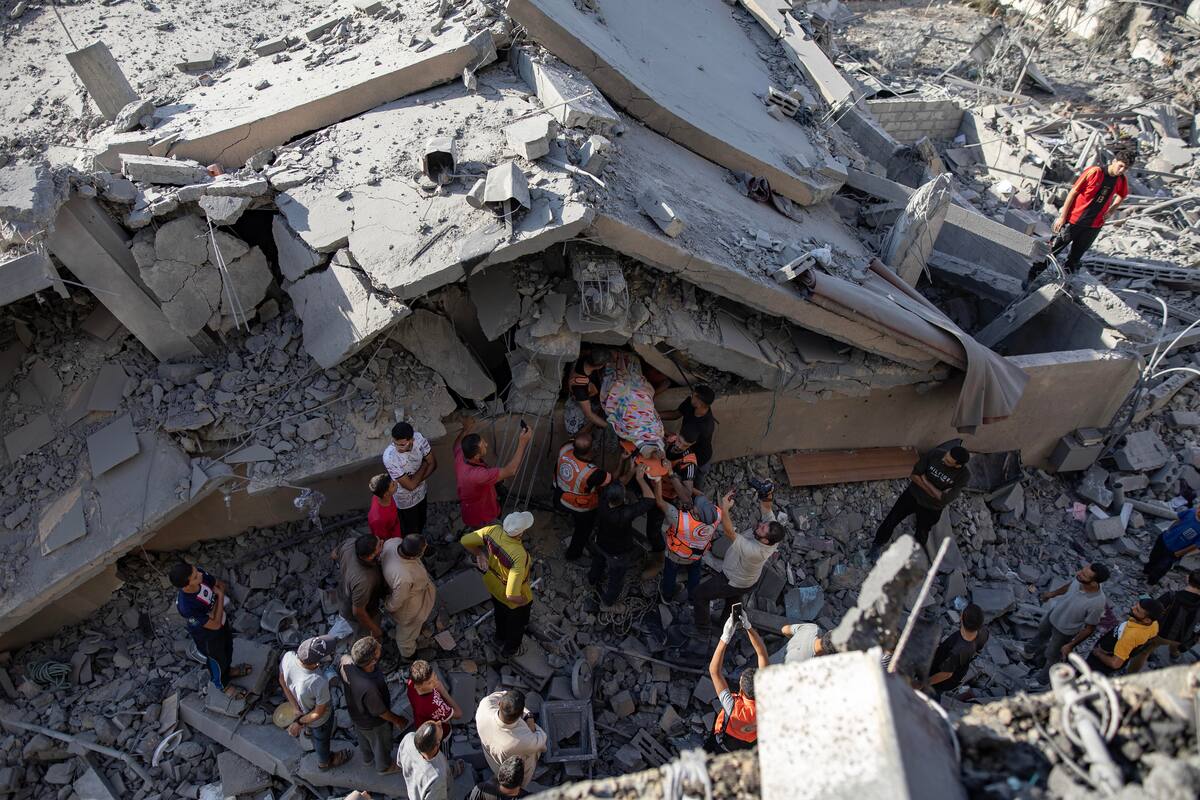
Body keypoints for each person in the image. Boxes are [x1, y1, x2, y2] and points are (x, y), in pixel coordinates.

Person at [694, 488, 786, 637]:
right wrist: (767, 492)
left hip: (732, 580)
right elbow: (767, 508)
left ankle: (702, 630)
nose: (760, 525)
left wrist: (724, 507)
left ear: (765, 541)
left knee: (700, 595)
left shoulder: (756, 551)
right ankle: (726, 627)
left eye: (762, 529)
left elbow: (729, 532)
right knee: (732, 602)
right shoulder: (772, 532)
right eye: (763, 525)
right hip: (749, 581)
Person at [869, 442, 970, 560]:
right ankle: (877, 545)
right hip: (913, 495)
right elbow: (914, 476)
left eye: (948, 462)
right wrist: (936, 491)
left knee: (921, 534)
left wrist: (926, 481)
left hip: (932, 508)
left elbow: (943, 499)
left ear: (957, 466)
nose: (944, 460)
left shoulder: (963, 475)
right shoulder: (935, 455)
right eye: (946, 456)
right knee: (891, 520)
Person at [169, 562, 251, 698]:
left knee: (228, 648)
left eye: (196, 572)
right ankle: (222, 685)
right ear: (186, 585)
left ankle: (229, 670)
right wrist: (220, 596)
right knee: (217, 660)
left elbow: (218, 584)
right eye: (195, 576)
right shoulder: (186, 606)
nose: (200, 574)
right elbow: (214, 625)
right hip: (208, 637)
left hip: (220, 621)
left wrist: (218, 599)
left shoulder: (200, 575)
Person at [460, 512, 535, 658]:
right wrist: (523, 601)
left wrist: (479, 554)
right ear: (520, 533)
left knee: (500, 612)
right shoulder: (519, 556)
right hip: (513, 595)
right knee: (516, 624)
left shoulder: (492, 530)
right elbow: (511, 595)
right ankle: (511, 650)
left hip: (493, 583)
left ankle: (499, 637)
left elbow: (465, 541)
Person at [1050, 144, 1134, 272]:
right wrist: (1062, 217)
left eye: (1126, 168)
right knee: (1052, 251)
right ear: (1114, 161)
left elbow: (1122, 195)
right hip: (1074, 221)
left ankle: (1061, 285)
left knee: (1074, 259)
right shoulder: (1095, 172)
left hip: (1094, 226)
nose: (1122, 170)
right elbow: (1073, 193)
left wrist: (1111, 210)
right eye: (1121, 166)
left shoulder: (1121, 180)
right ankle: (1031, 277)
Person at [1024, 563, 1110, 681]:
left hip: (1065, 631)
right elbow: (1069, 586)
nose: (1078, 574)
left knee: (1052, 656)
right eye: (1082, 570)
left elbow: (1090, 628)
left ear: (1094, 582)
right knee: (1041, 633)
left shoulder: (1097, 603)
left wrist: (1070, 645)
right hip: (1054, 615)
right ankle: (1028, 652)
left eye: (1084, 575)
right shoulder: (1080, 580)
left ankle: (1041, 681)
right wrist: (1051, 594)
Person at [338, 637, 409, 775]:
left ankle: (367, 759)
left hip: (357, 716)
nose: (380, 645)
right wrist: (397, 720)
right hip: (374, 723)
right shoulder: (368, 687)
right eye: (378, 649)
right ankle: (384, 767)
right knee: (380, 744)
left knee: (364, 739)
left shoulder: (345, 662)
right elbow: (381, 712)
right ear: (373, 661)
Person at [280, 636, 350, 770]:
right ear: (316, 662)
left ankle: (308, 732)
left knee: (310, 728)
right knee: (321, 740)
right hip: (320, 720)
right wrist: (299, 722)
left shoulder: (288, 657)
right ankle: (325, 762)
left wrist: (296, 708)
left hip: (301, 708)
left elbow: (282, 681)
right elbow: (318, 713)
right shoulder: (317, 682)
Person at [589, 465, 655, 606]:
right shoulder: (625, 514)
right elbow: (650, 500)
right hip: (618, 553)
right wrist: (640, 479)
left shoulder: (603, 501)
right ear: (623, 498)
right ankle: (608, 601)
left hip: (600, 543)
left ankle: (592, 580)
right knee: (616, 579)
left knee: (598, 562)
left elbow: (617, 484)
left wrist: (630, 469)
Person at [454, 416, 534, 530]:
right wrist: (523, 442)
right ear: (476, 456)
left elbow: (456, 444)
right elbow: (511, 470)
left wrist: (466, 428)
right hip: (483, 516)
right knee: (491, 538)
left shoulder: (460, 455)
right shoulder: (478, 475)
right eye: (483, 446)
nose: (486, 444)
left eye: (483, 441)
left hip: (470, 509)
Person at [706, 612, 769, 753]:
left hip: (724, 743)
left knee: (712, 749)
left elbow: (714, 671)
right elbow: (762, 653)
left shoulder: (732, 706)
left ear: (741, 685)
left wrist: (725, 637)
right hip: (749, 742)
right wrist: (749, 627)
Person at [654, 483, 723, 603]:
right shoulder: (716, 516)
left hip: (677, 555)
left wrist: (658, 481)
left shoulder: (680, 520)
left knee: (670, 574)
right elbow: (702, 496)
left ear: (696, 512)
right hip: (697, 554)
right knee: (694, 573)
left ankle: (667, 597)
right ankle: (693, 598)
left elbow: (660, 501)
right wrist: (680, 484)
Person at [554, 431, 613, 561]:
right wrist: (624, 462)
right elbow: (613, 480)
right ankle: (573, 555)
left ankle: (570, 520)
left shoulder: (565, 448)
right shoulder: (592, 472)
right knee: (583, 531)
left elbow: (576, 438)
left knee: (575, 516)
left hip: (559, 495)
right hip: (580, 507)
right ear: (591, 450)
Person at [1128, 570, 1200, 673]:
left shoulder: (1171, 596)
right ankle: (1174, 656)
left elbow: (1153, 612)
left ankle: (1130, 673)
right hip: (1184, 637)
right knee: (1176, 646)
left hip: (1161, 635)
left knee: (1144, 653)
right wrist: (1196, 637)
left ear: (1188, 579)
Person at [475, 689, 546, 788]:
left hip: (493, 760)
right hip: (515, 774)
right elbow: (541, 738)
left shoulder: (485, 705)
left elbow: (503, 694)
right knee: (534, 753)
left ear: (499, 703)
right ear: (521, 715)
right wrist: (529, 717)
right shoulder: (522, 740)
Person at [381, 534, 436, 658]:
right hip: (409, 604)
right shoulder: (404, 577)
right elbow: (398, 599)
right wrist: (389, 607)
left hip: (410, 590)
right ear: (415, 556)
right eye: (423, 549)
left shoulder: (393, 542)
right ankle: (408, 654)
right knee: (407, 631)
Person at [383, 422, 437, 536]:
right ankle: (411, 552)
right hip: (405, 501)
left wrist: (415, 480)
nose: (398, 448)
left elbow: (433, 464)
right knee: (410, 530)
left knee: (421, 521)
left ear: (411, 440)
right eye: (395, 443)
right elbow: (410, 486)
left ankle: (420, 546)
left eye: (402, 445)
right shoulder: (390, 457)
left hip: (422, 492)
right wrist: (424, 464)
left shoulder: (419, 439)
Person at [1086, 598, 1162, 676]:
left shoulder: (1130, 636)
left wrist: (1098, 654)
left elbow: (1115, 663)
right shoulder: (1154, 624)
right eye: (1136, 605)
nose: (1132, 608)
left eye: (1137, 610)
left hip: (1100, 663)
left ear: (1147, 620)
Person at [927, 604, 988, 697]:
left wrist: (923, 683)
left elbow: (946, 674)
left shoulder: (957, 650)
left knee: (933, 693)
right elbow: (978, 649)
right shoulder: (984, 631)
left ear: (961, 617)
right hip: (960, 671)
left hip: (943, 679)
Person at [333, 534, 386, 640]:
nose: (382, 543)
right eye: (379, 545)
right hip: (355, 607)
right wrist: (375, 629)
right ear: (370, 556)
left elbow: (334, 555)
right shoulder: (364, 581)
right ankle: (366, 651)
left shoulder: (350, 543)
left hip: (343, 591)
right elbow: (358, 612)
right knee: (366, 634)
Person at [660, 385, 717, 481]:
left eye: (693, 395)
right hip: (684, 447)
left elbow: (685, 444)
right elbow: (676, 414)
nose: (691, 396)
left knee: (689, 479)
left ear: (699, 402)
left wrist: (663, 431)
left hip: (699, 457)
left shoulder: (705, 426)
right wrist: (657, 415)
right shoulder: (691, 403)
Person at [1143, 504, 1200, 585]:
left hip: (1175, 551)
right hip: (1164, 539)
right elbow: (1179, 519)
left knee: (1162, 567)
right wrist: (1169, 530)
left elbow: (1195, 545)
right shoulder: (1191, 512)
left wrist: (1179, 553)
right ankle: (1146, 572)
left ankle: (1150, 583)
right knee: (1153, 557)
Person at [407, 659, 463, 737]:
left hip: (421, 723)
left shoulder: (411, 682)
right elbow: (459, 714)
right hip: (438, 735)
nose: (436, 682)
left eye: (435, 676)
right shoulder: (432, 705)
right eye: (429, 682)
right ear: (419, 686)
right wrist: (444, 692)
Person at [398, 721, 451, 800]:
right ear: (437, 744)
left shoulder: (408, 738)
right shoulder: (436, 777)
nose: (439, 722)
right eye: (439, 726)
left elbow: (399, 763)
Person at [565, 346, 611, 435]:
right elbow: (589, 414)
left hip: (587, 391)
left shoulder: (585, 357)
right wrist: (609, 427)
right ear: (599, 366)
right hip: (581, 402)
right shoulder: (580, 389)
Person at [768, 622, 832, 665]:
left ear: (828, 632)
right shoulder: (812, 666)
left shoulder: (812, 628)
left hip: (769, 660)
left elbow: (784, 629)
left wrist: (797, 639)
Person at [367, 474, 403, 541]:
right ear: (386, 494)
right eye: (393, 484)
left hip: (396, 526)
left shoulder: (379, 496)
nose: (396, 482)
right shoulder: (378, 520)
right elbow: (383, 540)